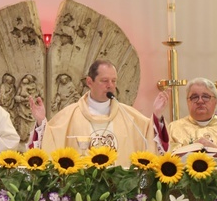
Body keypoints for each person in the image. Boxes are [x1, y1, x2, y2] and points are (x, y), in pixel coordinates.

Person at [28, 59, 167, 167]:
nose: (110, 86)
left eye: (113, 81)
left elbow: (149, 137)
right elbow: (48, 142)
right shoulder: (69, 115)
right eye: (104, 81)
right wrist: (41, 121)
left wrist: (157, 115)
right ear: (89, 82)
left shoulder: (129, 115)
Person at [159, 77, 217, 154]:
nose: (200, 101)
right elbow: (162, 154)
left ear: (215, 101)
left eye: (205, 97)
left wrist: (215, 150)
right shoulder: (173, 128)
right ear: (188, 101)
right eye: (194, 97)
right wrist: (190, 149)